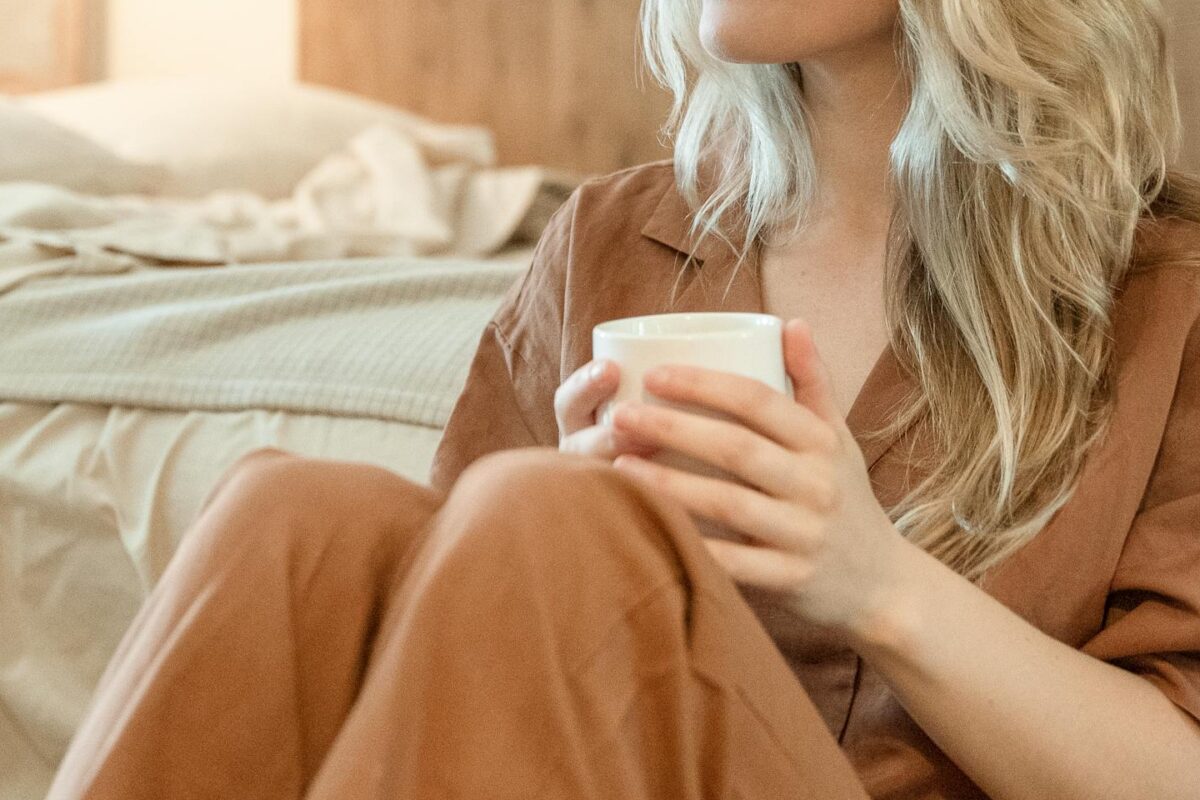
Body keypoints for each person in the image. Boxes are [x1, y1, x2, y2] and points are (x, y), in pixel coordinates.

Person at [48, 0, 1200, 798]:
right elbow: (422, 642)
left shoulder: (1170, 298)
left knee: (547, 520)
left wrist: (877, 585)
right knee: (293, 519)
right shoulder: (615, 242)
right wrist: (565, 581)